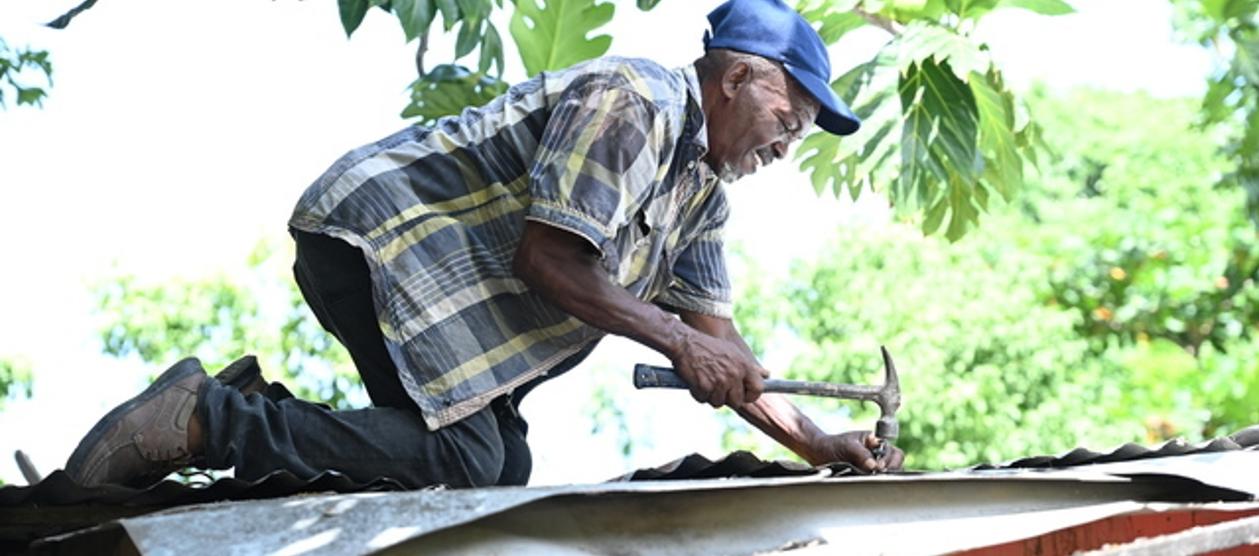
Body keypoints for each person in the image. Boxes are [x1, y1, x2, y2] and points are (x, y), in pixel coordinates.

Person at [64, 0, 904, 490]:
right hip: (380, 237)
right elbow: (547, 260)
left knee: (501, 470)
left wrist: (816, 444)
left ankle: (253, 410)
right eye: (786, 122)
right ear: (736, 80)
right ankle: (208, 421)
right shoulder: (637, 101)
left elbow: (723, 349)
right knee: (466, 462)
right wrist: (677, 341)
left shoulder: (701, 197)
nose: (785, 146)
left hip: (444, 294)